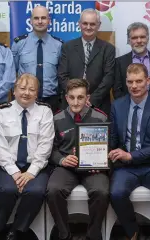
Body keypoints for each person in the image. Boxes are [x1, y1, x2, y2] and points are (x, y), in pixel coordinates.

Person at [109, 63, 150, 240]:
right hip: (126, 167)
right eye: (130, 82)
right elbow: (113, 140)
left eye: (139, 81)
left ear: (148, 81)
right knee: (116, 193)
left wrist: (130, 155)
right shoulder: (117, 106)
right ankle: (133, 232)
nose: (134, 86)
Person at [0, 73, 55, 240]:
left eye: (31, 89)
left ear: (37, 92)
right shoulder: (2, 112)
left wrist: (31, 172)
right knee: (8, 189)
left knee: (36, 191)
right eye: (22, 88)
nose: (26, 93)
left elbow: (45, 146)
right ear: (14, 90)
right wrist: (15, 172)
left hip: (36, 166)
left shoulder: (45, 111)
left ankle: (17, 231)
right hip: (7, 166)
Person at [46, 78, 109, 240]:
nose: (75, 102)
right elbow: (50, 149)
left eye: (80, 97)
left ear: (87, 97)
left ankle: (93, 234)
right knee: (53, 190)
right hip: (66, 168)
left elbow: (108, 147)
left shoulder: (100, 118)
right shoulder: (56, 119)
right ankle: (64, 233)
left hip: (93, 169)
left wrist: (101, 163)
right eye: (72, 97)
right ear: (66, 98)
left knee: (102, 191)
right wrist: (61, 160)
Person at [58, 8, 115, 115]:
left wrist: (91, 100)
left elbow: (109, 77)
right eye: (85, 23)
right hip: (71, 105)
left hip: (99, 105)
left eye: (92, 24)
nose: (88, 27)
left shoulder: (108, 49)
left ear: (99, 25)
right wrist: (76, 98)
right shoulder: (67, 47)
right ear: (79, 24)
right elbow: (62, 75)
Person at [12, 6, 63, 113]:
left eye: (43, 18)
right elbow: (12, 72)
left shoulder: (58, 45)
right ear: (30, 21)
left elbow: (61, 74)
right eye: (36, 18)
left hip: (51, 100)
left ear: (49, 21)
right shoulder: (19, 43)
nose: (40, 21)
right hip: (24, 99)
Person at [114, 22, 150, 100]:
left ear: (148, 38)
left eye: (142, 37)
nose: (139, 41)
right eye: (134, 38)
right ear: (129, 40)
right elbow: (117, 90)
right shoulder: (119, 62)